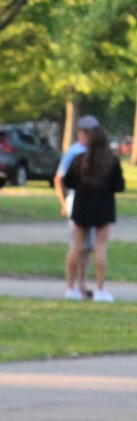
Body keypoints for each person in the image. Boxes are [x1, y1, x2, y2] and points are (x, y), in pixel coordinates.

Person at [62, 125, 125, 302]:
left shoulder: (79, 159)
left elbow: (68, 181)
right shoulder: (112, 161)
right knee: (101, 247)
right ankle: (100, 289)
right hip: (103, 207)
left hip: (82, 206)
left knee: (76, 246)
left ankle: (70, 288)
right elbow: (119, 186)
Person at [54, 115, 100, 299]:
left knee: (87, 247)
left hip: (92, 202)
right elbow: (60, 179)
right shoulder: (74, 152)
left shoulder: (97, 152)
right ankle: (70, 286)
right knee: (77, 245)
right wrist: (64, 202)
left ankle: (82, 283)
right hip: (76, 201)